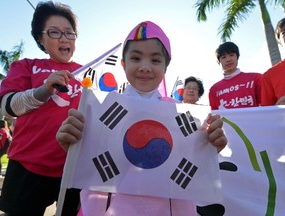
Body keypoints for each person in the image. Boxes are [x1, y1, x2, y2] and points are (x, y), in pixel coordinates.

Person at [56, 20, 227, 216]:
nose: (145, 67)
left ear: (165, 67)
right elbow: (87, 160)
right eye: (136, 58)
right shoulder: (102, 110)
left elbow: (193, 161)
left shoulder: (179, 113)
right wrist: (72, 145)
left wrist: (210, 147)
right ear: (123, 64)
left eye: (155, 60)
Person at [0, 1, 82, 215]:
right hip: (26, 166)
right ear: (40, 40)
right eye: (54, 32)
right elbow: (8, 107)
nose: (64, 38)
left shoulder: (88, 73)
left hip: (72, 171)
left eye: (70, 33)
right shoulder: (25, 66)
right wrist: (44, 89)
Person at [209, 41, 262, 110]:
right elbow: (215, 115)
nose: (228, 59)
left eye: (231, 55)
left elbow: (267, 105)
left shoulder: (256, 78)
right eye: (223, 57)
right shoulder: (214, 89)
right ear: (219, 62)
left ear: (237, 57)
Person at [261, 18, 285, 106]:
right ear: (280, 41)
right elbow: (267, 115)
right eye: (284, 33)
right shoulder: (269, 76)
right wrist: (278, 107)